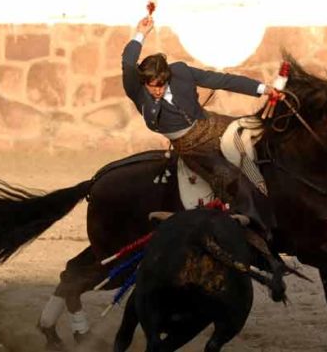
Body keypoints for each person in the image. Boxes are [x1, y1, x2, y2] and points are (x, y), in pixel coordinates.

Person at [121, 16, 283, 242]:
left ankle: (270, 192)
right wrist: (140, 34)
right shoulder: (136, 89)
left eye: (161, 85)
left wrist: (262, 89)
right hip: (190, 145)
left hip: (211, 123)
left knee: (255, 134)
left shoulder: (180, 72)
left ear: (167, 78)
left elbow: (219, 80)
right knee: (226, 175)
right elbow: (128, 62)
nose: (157, 91)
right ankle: (245, 222)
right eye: (152, 87)